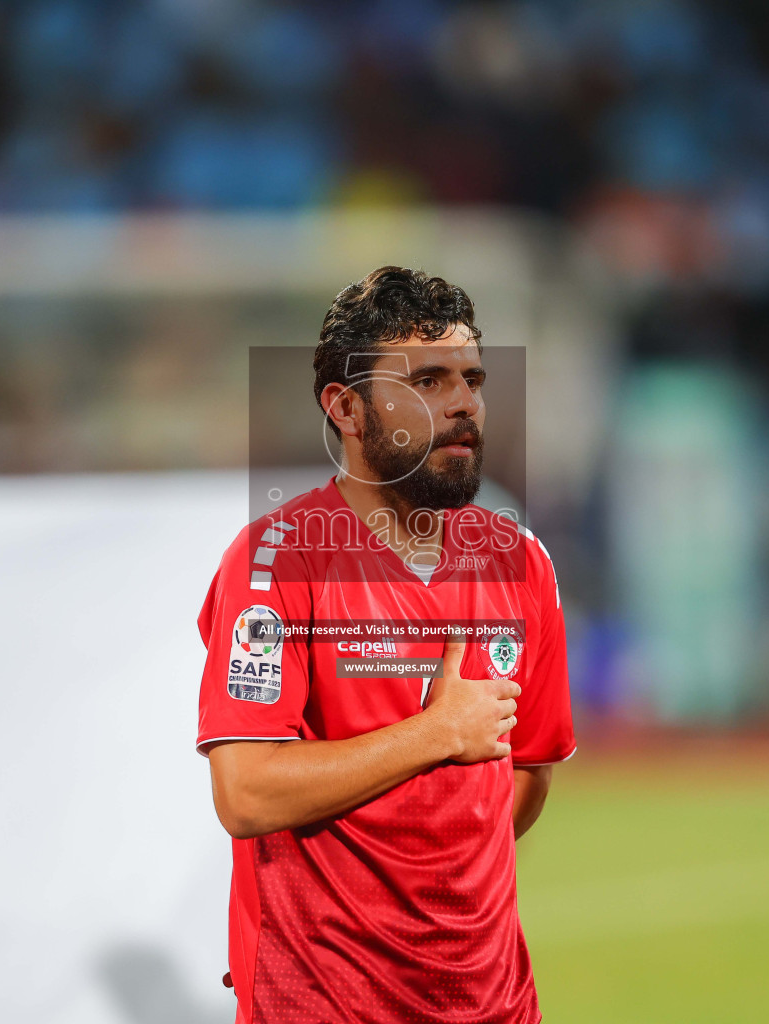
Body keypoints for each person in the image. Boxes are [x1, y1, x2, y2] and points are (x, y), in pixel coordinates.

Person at [195, 266, 575, 1023]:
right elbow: (246, 792)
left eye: (471, 379)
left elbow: (525, 774)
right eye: (426, 382)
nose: (463, 403)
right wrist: (436, 736)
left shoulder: (521, 561)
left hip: (494, 1002)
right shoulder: (276, 562)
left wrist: (435, 873)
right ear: (347, 408)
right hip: (322, 1003)